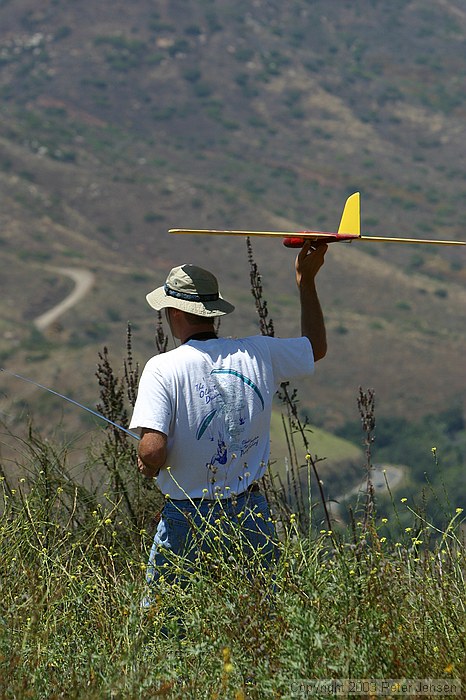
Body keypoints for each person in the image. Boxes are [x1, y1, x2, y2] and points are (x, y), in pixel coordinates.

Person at [129, 241, 327, 590]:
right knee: (262, 617)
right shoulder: (259, 352)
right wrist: (305, 281)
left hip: (187, 518)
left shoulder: (162, 368)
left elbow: (152, 450)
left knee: (167, 622)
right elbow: (315, 347)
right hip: (250, 513)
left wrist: (148, 463)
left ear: (174, 313)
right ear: (214, 313)